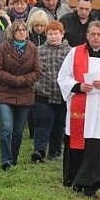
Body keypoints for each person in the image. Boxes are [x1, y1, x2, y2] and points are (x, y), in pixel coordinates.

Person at [58, 21, 100, 198]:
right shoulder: (75, 53)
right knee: (78, 140)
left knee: (97, 144)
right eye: (93, 34)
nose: (96, 38)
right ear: (87, 35)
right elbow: (63, 77)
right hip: (81, 103)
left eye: (99, 34)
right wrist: (78, 86)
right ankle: (73, 179)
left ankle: (93, 183)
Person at [0, 20, 42, 171]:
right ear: (12, 33)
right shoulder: (3, 47)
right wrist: (13, 80)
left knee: (18, 132)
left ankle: (13, 158)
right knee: (7, 127)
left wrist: (22, 81)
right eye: (18, 30)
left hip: (25, 94)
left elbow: (37, 71)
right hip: (5, 92)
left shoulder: (33, 49)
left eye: (24, 30)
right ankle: (6, 160)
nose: (21, 32)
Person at [32, 21, 71, 163]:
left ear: (62, 34)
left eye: (56, 34)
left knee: (59, 125)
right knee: (43, 122)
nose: (53, 37)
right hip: (43, 94)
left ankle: (55, 151)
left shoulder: (70, 52)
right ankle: (39, 150)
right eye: (50, 34)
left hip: (62, 95)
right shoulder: (38, 51)